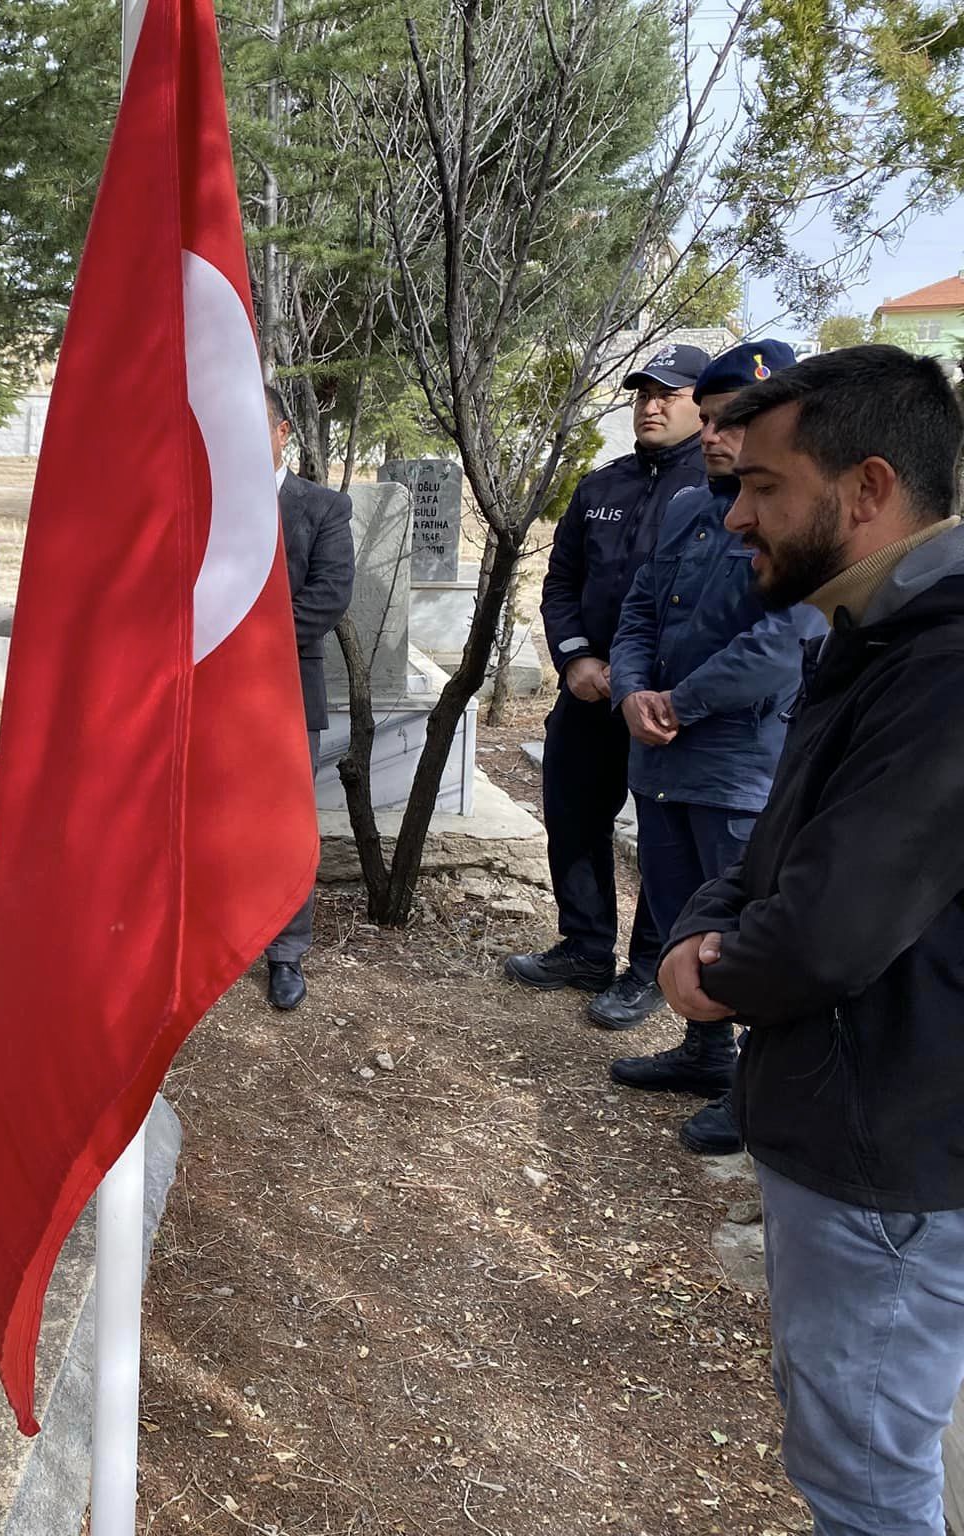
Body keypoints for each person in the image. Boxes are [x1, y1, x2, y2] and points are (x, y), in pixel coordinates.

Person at [659, 344, 964, 1536]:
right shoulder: (872, 629)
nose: (734, 512)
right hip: (854, 1122)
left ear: (867, 490)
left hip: (885, 1145)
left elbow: (831, 925)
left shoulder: (942, 666)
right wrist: (701, 925)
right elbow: (772, 850)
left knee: (863, 1484)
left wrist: (708, 975)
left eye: (765, 488)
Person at [605, 340, 819, 1156]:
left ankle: (750, 1087)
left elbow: (780, 644)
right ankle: (703, 1053)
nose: (712, 435)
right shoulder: (694, 507)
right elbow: (639, 611)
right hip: (659, 757)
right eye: (713, 420)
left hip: (735, 763)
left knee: (741, 927)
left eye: (733, 423)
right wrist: (631, 691)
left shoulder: (796, 515)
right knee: (674, 908)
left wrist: (679, 704)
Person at [505, 343, 709, 1024]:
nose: (651, 407)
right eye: (642, 394)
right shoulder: (602, 487)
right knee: (573, 818)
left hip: (659, 703)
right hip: (588, 691)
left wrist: (640, 681)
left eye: (668, 395)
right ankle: (584, 945)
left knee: (662, 839)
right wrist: (573, 660)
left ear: (701, 406)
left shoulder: (714, 493)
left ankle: (649, 966)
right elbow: (562, 583)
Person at [263, 384, 355, 1011]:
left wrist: (248, 647)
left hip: (287, 689)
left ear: (283, 430)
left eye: (253, 423)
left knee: (285, 825)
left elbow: (328, 597)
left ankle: (286, 952)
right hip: (209, 696)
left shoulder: (323, 507)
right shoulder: (208, 504)